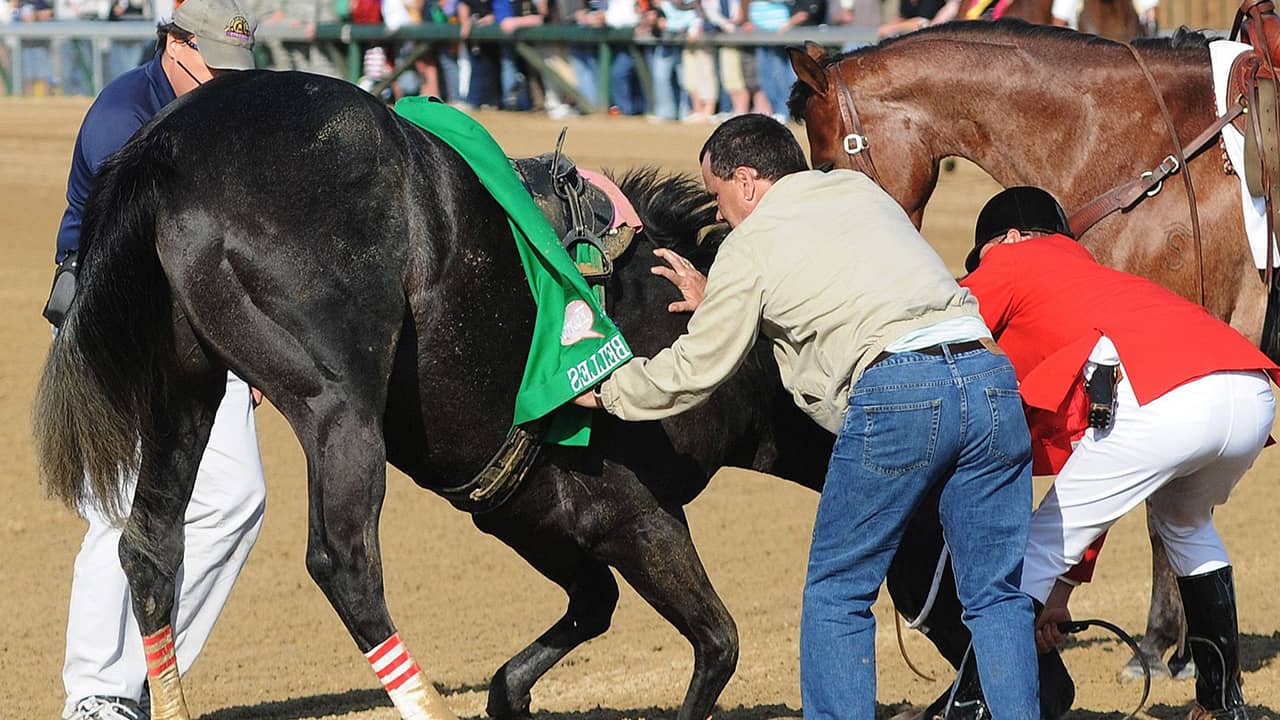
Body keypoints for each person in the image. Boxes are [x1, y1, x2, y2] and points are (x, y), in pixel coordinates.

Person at [572, 114, 1040, 719]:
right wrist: (724, 294)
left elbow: (692, 371)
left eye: (718, 198)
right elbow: (846, 283)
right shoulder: (858, 189)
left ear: (747, 182)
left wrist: (610, 389)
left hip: (899, 391)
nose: (719, 216)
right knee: (996, 597)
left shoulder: (750, 244)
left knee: (839, 593)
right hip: (987, 377)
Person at [959, 187, 1278, 720]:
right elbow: (1105, 465)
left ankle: (971, 706)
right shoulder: (1099, 278)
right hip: (1249, 389)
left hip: (1160, 396)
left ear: (1012, 238)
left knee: (1034, 550)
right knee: (1186, 525)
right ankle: (1222, 704)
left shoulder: (1014, 257)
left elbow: (941, 318)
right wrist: (1061, 593)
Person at [49, 1, 267, 718]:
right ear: (173, 44)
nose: (222, 81)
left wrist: (256, 344)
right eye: (210, 62)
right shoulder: (123, 121)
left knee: (235, 499)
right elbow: (122, 270)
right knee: (120, 507)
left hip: (202, 320)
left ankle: (145, 683)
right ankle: (95, 694)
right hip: (114, 319)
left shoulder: (228, 110)